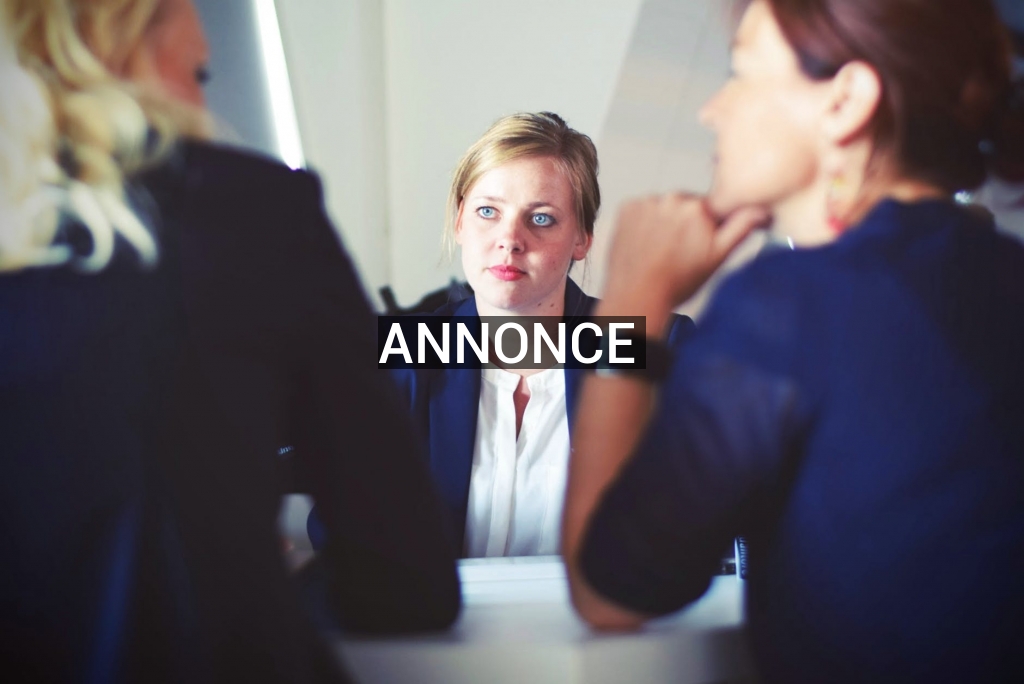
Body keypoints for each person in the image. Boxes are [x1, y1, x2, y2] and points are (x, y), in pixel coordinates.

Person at [561, 0, 1024, 682]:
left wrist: (631, 302)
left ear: (845, 101)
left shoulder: (788, 305)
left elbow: (608, 590)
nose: (711, 110)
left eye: (741, 74)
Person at [0, 1, 460, 682]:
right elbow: (406, 577)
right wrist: (249, 571)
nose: (202, 104)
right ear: (125, 38)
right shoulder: (257, 216)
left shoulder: (595, 339)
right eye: (200, 75)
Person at [390, 112, 695, 558]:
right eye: (488, 212)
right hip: (437, 606)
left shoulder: (652, 345)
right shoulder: (404, 353)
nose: (509, 239)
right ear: (459, 222)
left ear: (582, 239)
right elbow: (344, 535)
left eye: (542, 218)